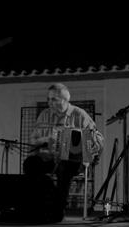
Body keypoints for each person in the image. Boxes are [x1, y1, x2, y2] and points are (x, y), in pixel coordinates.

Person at [23, 83, 104, 222]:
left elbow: (98, 140)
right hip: (48, 157)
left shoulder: (79, 115)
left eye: (53, 99)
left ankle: (57, 210)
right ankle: (39, 205)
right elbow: (32, 140)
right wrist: (46, 139)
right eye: (48, 99)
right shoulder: (44, 115)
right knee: (30, 164)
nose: (49, 103)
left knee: (64, 168)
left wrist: (83, 146)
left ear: (65, 100)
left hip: (72, 161)